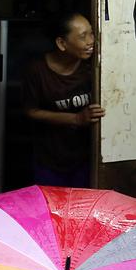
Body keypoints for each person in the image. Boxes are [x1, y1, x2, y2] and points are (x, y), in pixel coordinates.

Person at [22, 12, 105, 188]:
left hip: (85, 160)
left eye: (91, 33)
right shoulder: (38, 71)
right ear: (62, 43)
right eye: (83, 36)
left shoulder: (93, 67)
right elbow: (31, 111)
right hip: (50, 159)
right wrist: (76, 118)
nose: (91, 41)